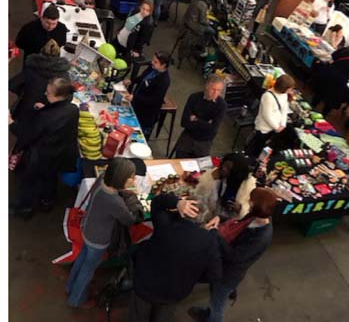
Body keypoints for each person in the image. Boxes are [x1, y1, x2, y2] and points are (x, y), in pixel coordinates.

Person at [189, 188, 278, 322]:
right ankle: (214, 309)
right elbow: (238, 222)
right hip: (227, 269)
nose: (249, 202)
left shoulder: (260, 237)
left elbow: (234, 257)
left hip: (227, 275)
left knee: (217, 303)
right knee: (217, 297)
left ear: (257, 207)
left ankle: (212, 318)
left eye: (251, 201)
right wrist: (220, 217)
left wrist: (215, 234)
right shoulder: (258, 217)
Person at [66, 158, 144, 309]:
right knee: (88, 271)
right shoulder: (115, 202)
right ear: (120, 179)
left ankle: (70, 286)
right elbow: (129, 220)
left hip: (87, 229)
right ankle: (77, 300)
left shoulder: (102, 179)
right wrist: (133, 199)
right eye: (131, 176)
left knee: (82, 260)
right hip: (98, 240)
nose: (134, 179)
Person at [129, 194, 221, 322]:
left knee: (138, 317)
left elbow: (156, 202)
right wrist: (192, 275)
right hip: (174, 293)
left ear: (183, 213)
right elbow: (214, 275)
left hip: (146, 286)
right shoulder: (209, 241)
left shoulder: (165, 224)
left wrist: (177, 202)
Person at [9, 78, 79, 218]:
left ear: (58, 96)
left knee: (29, 183)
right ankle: (48, 201)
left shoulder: (46, 117)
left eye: (48, 93)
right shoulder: (73, 109)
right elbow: (57, 115)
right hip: (60, 154)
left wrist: (11, 123)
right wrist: (45, 107)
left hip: (41, 156)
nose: (45, 94)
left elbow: (27, 135)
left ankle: (24, 208)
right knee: (50, 178)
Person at [9, 39, 70, 129]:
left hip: (27, 106)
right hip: (49, 110)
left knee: (21, 130)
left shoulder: (30, 70)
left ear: (41, 52)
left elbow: (12, 85)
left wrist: (24, 91)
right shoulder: (64, 75)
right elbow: (68, 96)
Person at [175, 74, 227, 158]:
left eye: (218, 90)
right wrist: (207, 123)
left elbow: (213, 129)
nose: (215, 93)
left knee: (200, 168)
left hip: (204, 142)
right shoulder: (194, 98)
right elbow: (184, 122)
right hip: (188, 137)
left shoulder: (222, 105)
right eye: (213, 89)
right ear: (206, 86)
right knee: (179, 160)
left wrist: (196, 119)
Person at [245, 74, 295, 158]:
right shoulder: (267, 96)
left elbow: (284, 109)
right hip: (264, 128)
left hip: (275, 128)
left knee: (266, 146)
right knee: (257, 146)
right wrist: (277, 127)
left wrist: (283, 124)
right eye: (290, 88)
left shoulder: (284, 95)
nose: (291, 90)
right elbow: (266, 115)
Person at [195, 153, 257, 220]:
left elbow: (250, 210)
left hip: (231, 219)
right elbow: (200, 193)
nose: (224, 169)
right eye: (224, 165)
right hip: (214, 213)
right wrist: (212, 179)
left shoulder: (248, 185)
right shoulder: (217, 173)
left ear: (236, 172)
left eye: (229, 168)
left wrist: (240, 208)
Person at [124, 52, 171, 139]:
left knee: (135, 137)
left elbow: (154, 100)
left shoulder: (164, 81)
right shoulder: (152, 68)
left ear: (163, 65)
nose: (152, 62)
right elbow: (142, 77)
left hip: (146, 114)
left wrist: (135, 98)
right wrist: (132, 81)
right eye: (153, 60)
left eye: (156, 62)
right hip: (136, 104)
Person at [312, 45, 349, 115]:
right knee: (330, 101)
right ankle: (321, 118)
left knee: (319, 93)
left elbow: (333, 55)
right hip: (339, 82)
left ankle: (310, 109)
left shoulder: (346, 50)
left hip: (329, 72)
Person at [177, 0, 216, 65]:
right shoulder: (203, 5)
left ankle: (200, 45)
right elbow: (202, 20)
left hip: (186, 22)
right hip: (194, 26)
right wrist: (209, 22)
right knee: (212, 31)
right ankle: (201, 47)